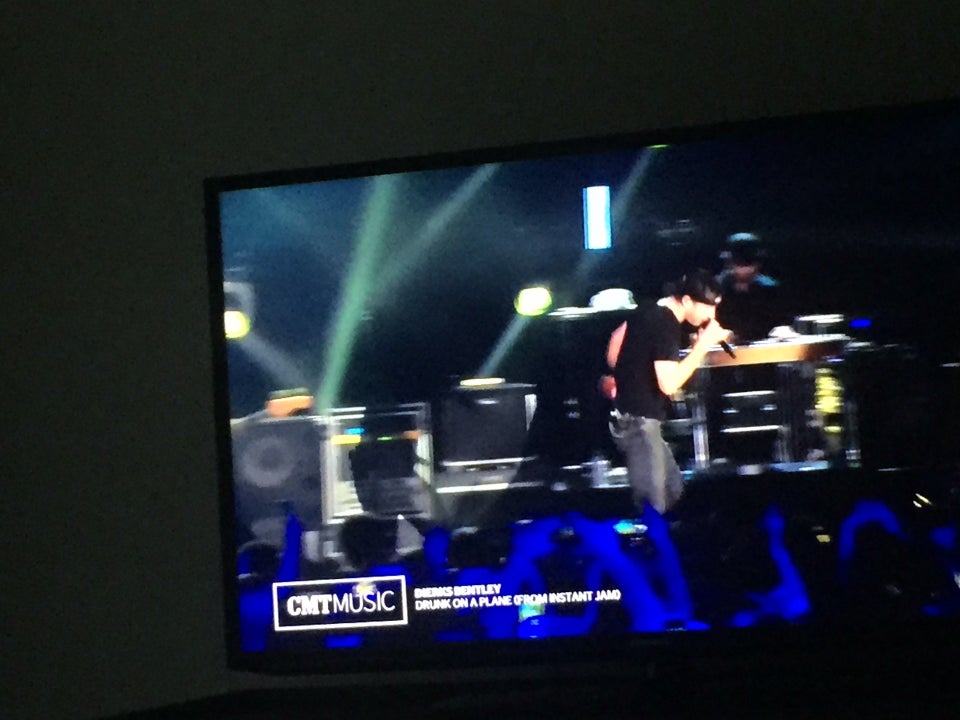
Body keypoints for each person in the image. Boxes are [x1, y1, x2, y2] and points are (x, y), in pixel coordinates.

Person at [604, 270, 730, 514]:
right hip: (639, 422)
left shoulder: (649, 308)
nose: (712, 316)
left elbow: (613, 350)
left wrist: (629, 373)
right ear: (687, 301)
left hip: (632, 417)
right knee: (653, 507)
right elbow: (669, 384)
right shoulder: (666, 323)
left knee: (673, 489)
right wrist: (702, 346)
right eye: (707, 308)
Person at [715, 232, 782, 343]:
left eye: (750, 266)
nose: (745, 271)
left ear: (758, 264)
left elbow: (781, 323)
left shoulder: (770, 289)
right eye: (739, 265)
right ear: (729, 264)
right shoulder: (714, 290)